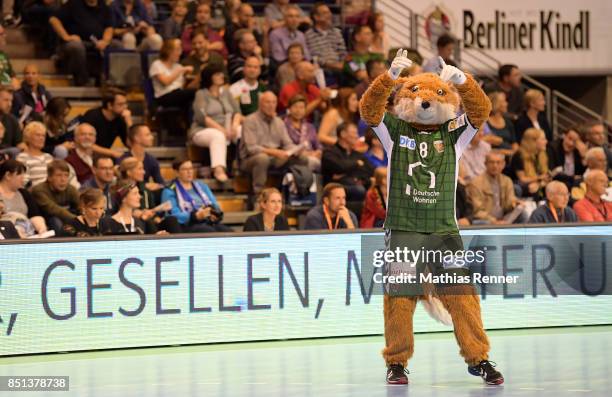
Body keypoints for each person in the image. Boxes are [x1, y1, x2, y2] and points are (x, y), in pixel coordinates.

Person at [239, 91, 308, 195]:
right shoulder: (250, 120)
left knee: (302, 158)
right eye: (267, 102)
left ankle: (296, 193)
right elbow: (251, 148)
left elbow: (287, 143)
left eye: (274, 102)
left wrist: (296, 149)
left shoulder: (279, 122)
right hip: (250, 159)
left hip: (275, 159)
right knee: (262, 158)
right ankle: (258, 195)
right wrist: (275, 152)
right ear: (260, 104)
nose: (271, 105)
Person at [190, 64, 242, 183]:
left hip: (228, 126)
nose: (221, 76)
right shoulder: (201, 94)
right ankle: (218, 169)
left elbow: (237, 112)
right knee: (217, 135)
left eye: (221, 74)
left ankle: (240, 166)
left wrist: (234, 126)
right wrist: (222, 130)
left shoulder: (226, 93)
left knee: (242, 131)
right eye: (217, 74)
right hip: (203, 130)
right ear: (210, 77)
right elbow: (202, 117)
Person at [49, 0, 114, 86]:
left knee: (117, 45)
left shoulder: (105, 7)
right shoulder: (73, 4)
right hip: (76, 43)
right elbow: (53, 19)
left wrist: (105, 41)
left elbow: (109, 27)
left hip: (97, 43)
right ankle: (82, 82)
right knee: (77, 47)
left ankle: (112, 82)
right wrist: (66, 36)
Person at [161, 159, 232, 233]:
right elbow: (173, 215)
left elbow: (215, 205)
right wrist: (195, 216)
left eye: (191, 168)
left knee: (229, 233)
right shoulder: (169, 190)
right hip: (188, 226)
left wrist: (213, 213)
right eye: (185, 169)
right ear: (176, 172)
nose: (189, 172)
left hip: (208, 222)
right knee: (209, 232)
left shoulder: (202, 186)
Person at [118, 157, 181, 233]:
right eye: (140, 169)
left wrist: (156, 218)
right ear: (129, 172)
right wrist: (140, 213)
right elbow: (120, 209)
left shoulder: (145, 188)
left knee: (171, 220)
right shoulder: (121, 189)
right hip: (133, 221)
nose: (144, 172)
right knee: (146, 221)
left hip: (149, 221)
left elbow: (152, 208)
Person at [322, 122, 374, 202]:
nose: (357, 136)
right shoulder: (329, 152)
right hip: (335, 190)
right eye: (354, 133)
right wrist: (357, 164)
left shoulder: (358, 155)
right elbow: (340, 167)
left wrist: (346, 173)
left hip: (356, 187)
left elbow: (370, 171)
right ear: (343, 134)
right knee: (359, 190)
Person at [468, 152, 521, 224]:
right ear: (485, 164)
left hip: (504, 217)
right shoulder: (475, 183)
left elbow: (510, 200)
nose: (495, 166)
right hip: (486, 220)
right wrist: (494, 221)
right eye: (491, 162)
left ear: (503, 164)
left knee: (522, 212)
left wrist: (514, 203)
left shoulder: (507, 180)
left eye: (498, 162)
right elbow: (477, 211)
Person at [0, 159, 48, 237]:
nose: (23, 178)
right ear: (8, 175)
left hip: (27, 232)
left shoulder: (24, 193)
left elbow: (34, 214)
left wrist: (41, 227)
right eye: (19, 174)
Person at [81, 88, 132, 159]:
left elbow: (130, 144)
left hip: (103, 157)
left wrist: (129, 123)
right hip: (85, 154)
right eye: (121, 104)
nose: (125, 107)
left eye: (126, 103)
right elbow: (85, 144)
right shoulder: (92, 116)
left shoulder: (120, 119)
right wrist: (112, 153)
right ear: (110, 105)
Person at [31, 160, 80, 233]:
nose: (63, 179)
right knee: (55, 220)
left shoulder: (71, 189)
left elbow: (81, 205)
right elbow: (53, 209)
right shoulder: (39, 190)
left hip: (67, 216)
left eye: (66, 175)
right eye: (59, 175)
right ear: (49, 178)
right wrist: (77, 220)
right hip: (46, 220)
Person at [149, 38, 196, 111]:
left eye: (180, 50)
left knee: (195, 97)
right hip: (164, 96)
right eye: (177, 50)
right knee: (193, 93)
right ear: (168, 51)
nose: (180, 53)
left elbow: (183, 86)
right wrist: (181, 70)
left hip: (178, 94)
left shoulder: (178, 66)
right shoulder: (157, 64)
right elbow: (166, 82)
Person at [305, 3, 347, 83]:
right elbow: (315, 56)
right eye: (325, 13)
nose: (329, 15)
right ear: (316, 17)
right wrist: (332, 65)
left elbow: (343, 52)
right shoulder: (309, 34)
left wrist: (342, 63)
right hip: (323, 67)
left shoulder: (336, 32)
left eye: (329, 12)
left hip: (340, 66)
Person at [118, 124, 165, 189]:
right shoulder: (123, 159)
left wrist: (156, 186)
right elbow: (119, 183)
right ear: (136, 138)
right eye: (147, 135)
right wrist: (144, 186)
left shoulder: (152, 160)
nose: (152, 137)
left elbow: (162, 184)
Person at [283, 95, 321, 171]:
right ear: (289, 109)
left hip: (312, 156)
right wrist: (304, 154)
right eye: (295, 107)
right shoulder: (283, 125)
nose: (298, 110)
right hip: (294, 158)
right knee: (313, 162)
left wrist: (318, 152)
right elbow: (285, 146)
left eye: (301, 107)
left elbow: (318, 146)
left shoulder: (310, 127)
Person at [510, 128, 550, 199]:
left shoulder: (541, 154)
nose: (546, 141)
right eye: (543, 139)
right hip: (521, 187)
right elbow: (522, 179)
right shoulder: (519, 155)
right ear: (533, 141)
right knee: (532, 187)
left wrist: (540, 183)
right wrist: (539, 178)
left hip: (537, 184)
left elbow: (545, 176)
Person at [16, 121, 54, 187]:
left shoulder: (48, 157)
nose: (41, 138)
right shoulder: (22, 157)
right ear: (28, 137)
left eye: (43, 136)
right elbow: (24, 183)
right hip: (35, 192)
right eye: (38, 135)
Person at [482, 91, 517, 156]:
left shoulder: (508, 122)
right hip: (491, 155)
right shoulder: (485, 122)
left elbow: (514, 143)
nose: (507, 104)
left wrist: (513, 152)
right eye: (504, 101)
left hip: (509, 155)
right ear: (496, 104)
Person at [0, 86, 22, 156]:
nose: (10, 104)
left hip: (9, 157)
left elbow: (19, 143)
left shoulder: (12, 119)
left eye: (11, 101)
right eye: (6, 100)